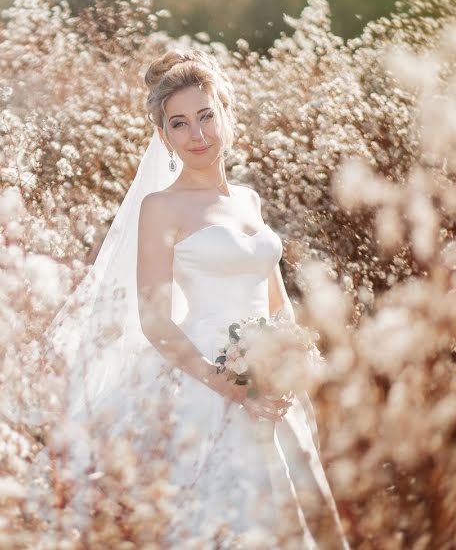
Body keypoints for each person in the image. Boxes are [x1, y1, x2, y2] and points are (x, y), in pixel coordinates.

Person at [24, 49, 351, 549]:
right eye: (179, 124)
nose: (197, 135)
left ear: (226, 114)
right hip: (204, 378)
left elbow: (276, 301)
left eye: (205, 116)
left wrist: (291, 363)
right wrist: (233, 387)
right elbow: (155, 321)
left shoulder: (248, 200)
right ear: (165, 137)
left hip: (271, 380)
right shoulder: (161, 207)